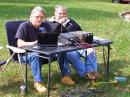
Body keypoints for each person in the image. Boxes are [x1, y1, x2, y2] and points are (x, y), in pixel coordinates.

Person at [15, 6, 75, 93]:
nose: (39, 19)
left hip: (45, 51)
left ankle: (65, 77)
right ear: (31, 17)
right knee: (35, 55)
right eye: (37, 17)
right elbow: (19, 44)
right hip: (26, 54)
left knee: (62, 51)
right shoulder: (24, 26)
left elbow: (50, 38)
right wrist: (34, 43)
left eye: (41, 17)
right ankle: (38, 82)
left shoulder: (45, 25)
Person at [47, 5, 99, 84]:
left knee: (91, 51)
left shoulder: (71, 22)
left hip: (78, 45)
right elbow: (49, 36)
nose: (62, 15)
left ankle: (91, 73)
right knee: (72, 55)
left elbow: (81, 32)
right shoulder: (48, 23)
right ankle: (85, 74)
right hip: (64, 48)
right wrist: (58, 24)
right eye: (60, 13)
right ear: (55, 13)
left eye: (64, 13)